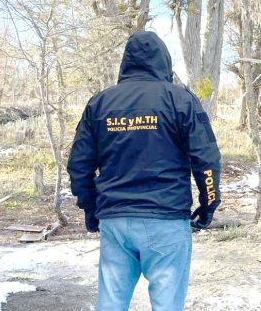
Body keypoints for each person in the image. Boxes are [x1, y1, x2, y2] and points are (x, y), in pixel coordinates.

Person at [67, 31, 221, 311]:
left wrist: (90, 208)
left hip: (115, 220)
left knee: (111, 304)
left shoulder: (100, 103)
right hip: (166, 220)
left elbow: (79, 165)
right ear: (164, 62)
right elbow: (206, 159)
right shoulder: (181, 100)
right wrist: (209, 203)